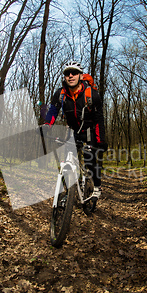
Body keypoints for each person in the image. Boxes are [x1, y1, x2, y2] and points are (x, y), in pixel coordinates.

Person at [44, 61, 107, 199]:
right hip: (72, 131)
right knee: (68, 160)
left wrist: (100, 140)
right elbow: (53, 111)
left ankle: (97, 186)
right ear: (64, 77)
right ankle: (71, 192)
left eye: (74, 73)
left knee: (89, 160)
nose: (70, 76)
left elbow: (98, 119)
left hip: (89, 130)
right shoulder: (60, 94)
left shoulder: (92, 94)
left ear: (81, 76)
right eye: (67, 73)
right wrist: (46, 126)